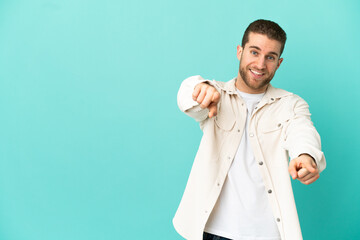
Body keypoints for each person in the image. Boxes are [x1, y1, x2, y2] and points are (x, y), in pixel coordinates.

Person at [173, 19, 326, 240]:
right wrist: (200, 89)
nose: (261, 64)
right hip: (213, 231)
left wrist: (305, 154)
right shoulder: (217, 94)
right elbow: (187, 94)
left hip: (267, 234)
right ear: (240, 51)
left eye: (270, 57)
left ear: (279, 62)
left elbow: (302, 131)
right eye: (254, 52)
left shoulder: (291, 104)